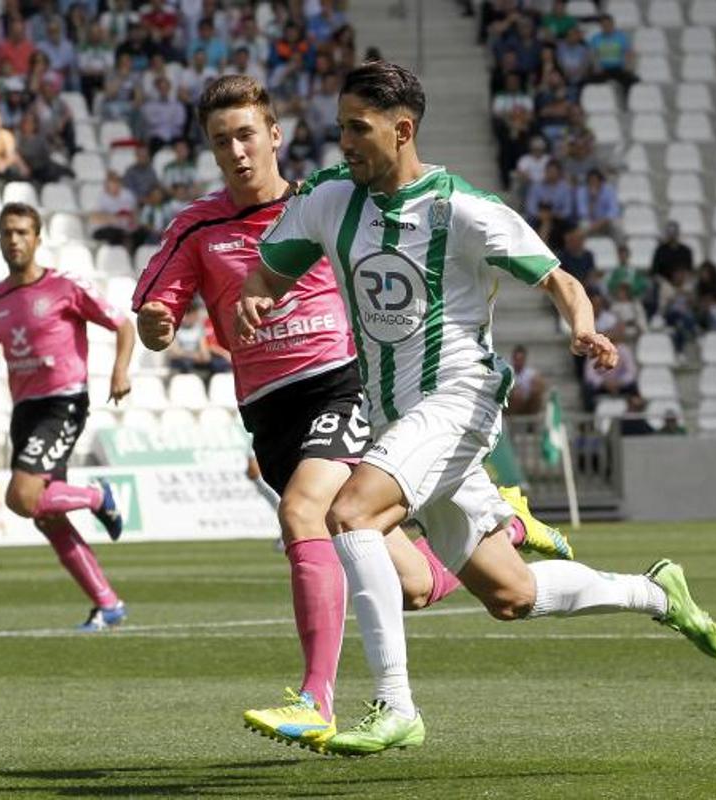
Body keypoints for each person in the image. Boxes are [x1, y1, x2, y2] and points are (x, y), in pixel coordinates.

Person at [238, 60, 716, 756]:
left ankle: (394, 705)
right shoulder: (327, 200)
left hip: (458, 398)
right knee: (511, 596)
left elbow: (559, 280)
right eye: (341, 125)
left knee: (351, 514)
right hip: (394, 416)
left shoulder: (461, 209)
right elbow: (267, 271)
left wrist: (581, 327)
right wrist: (258, 294)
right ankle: (657, 593)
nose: (343, 141)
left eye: (359, 128)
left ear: (402, 130)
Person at [135, 75, 571, 754]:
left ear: (274, 135)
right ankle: (502, 523)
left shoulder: (330, 201)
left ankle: (317, 698)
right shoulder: (199, 224)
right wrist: (158, 322)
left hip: (341, 387)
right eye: (221, 141)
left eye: (247, 134)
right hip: (268, 410)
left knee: (305, 515)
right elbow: (159, 305)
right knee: (414, 584)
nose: (236, 151)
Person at [0, 202, 134, 629]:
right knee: (46, 515)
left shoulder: (65, 286)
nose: (14, 240)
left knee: (22, 498)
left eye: (22, 232)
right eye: (7, 232)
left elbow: (123, 325)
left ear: (37, 238)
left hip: (62, 402)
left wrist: (119, 370)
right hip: (24, 411)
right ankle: (108, 604)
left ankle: (99, 496)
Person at [506, 344, 546, 416]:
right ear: (513, 359)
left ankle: (533, 420)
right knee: (516, 396)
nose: (518, 362)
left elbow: (541, 386)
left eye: (520, 360)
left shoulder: (531, 373)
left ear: (524, 360)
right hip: (512, 403)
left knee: (537, 390)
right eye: (516, 360)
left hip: (527, 403)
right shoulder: (508, 373)